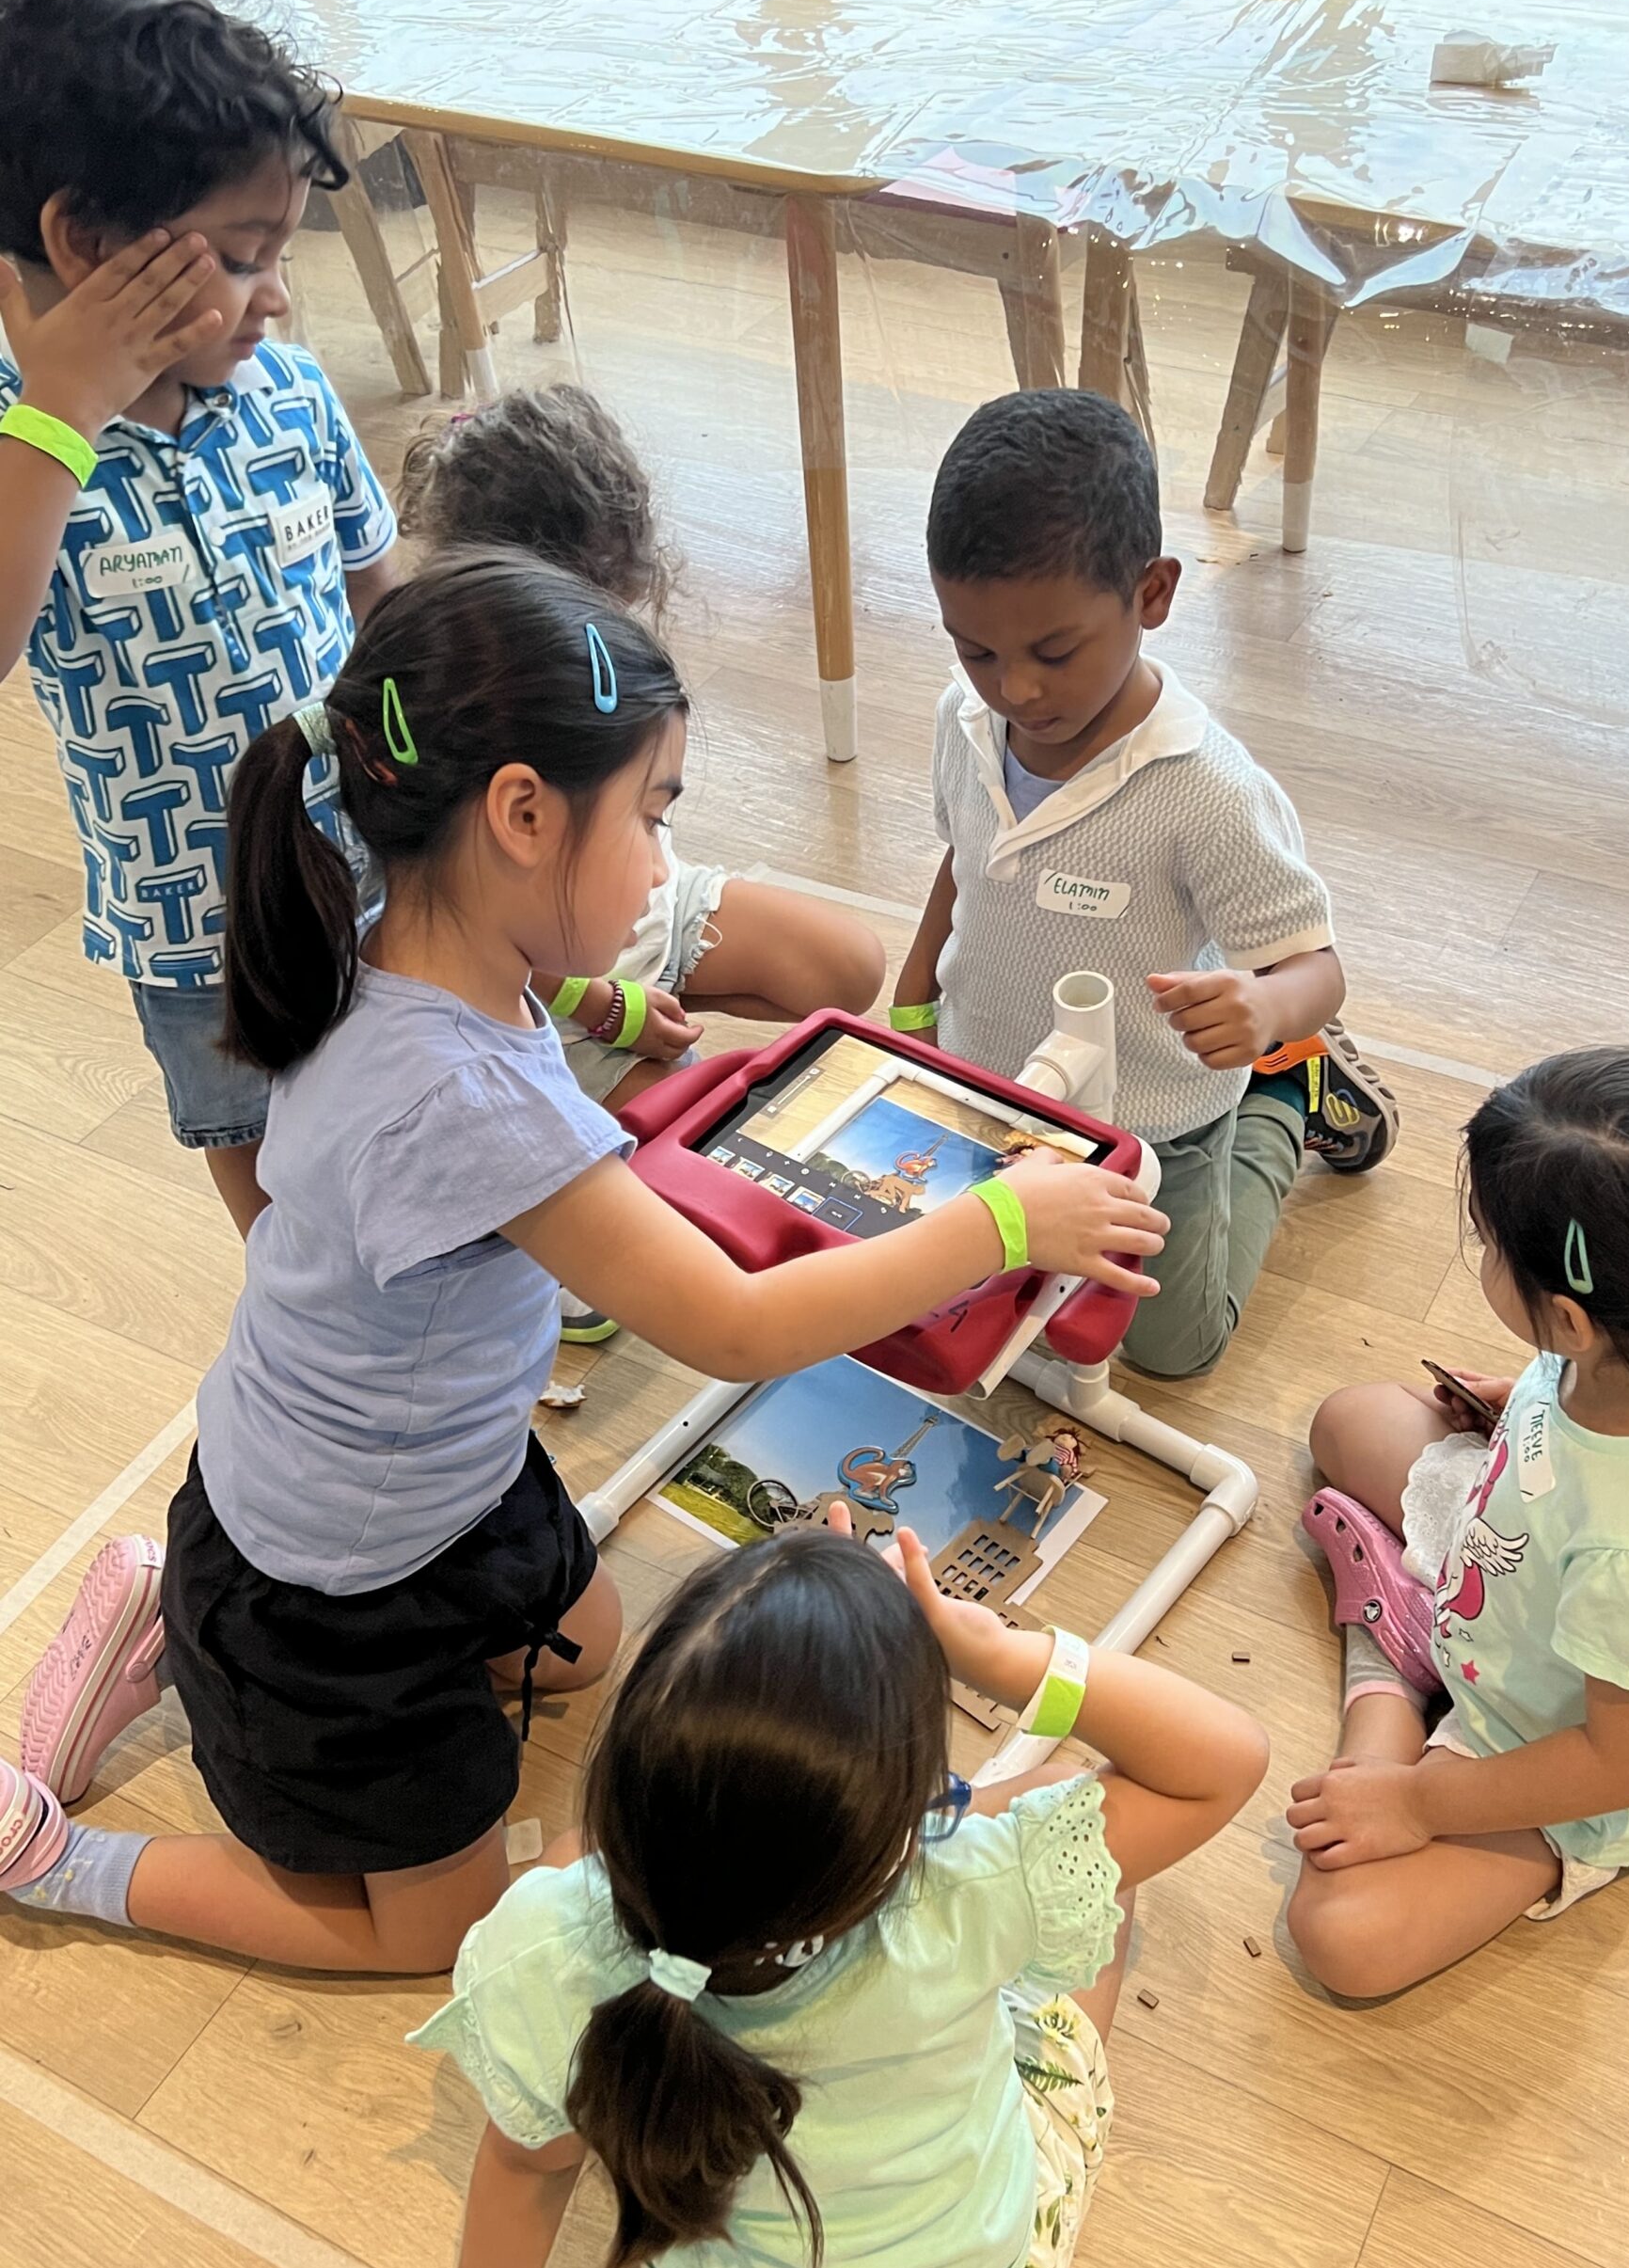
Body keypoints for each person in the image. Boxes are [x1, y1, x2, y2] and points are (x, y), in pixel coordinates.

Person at [0, 550, 1166, 1976]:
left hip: (437, 1481)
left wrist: (599, 1000)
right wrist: (1001, 1226)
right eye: (653, 815)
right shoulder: (470, 1108)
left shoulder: (386, 943)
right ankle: (58, 1855)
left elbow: (523, 1054)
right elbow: (737, 1326)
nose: (665, 864)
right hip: (327, 1590)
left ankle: (168, 1610)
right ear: (521, 814)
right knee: (439, 1936)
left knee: (593, 1644)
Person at [410, 1512, 1269, 2268]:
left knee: (566, 1855)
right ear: (900, 1830)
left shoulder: (549, 1943)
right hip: (981, 2267)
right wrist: (994, 1655)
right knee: (1067, 1822)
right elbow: (1224, 1763)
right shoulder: (966, 1891)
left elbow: (526, 2170)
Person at [0, 0, 403, 1239]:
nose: (275, 295)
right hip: (198, 932)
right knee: (281, 1204)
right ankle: (314, 1331)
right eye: (239, 257)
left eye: (280, 252)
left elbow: (382, 602)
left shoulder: (286, 390)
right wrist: (62, 413)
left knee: (418, 1108)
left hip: (372, 867)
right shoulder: (21, 453)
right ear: (84, 241)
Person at [893, 389, 1397, 1381]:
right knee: (964, 1296)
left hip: (1162, 1117)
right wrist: (913, 1003)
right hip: (994, 1086)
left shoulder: (1206, 791)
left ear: (1153, 594)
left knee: (1174, 1350)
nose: (1016, 689)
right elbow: (963, 861)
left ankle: (1286, 1094)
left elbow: (1316, 965)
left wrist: (1267, 1010)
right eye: (976, 649)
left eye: (1055, 651)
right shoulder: (965, 718)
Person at [1287, 1044, 1629, 1996]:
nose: (1483, 1255)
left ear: (1571, 1322)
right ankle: (1419, 1628)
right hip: (1515, 1566)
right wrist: (1520, 1399)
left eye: (1489, 1247)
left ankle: (1388, 1671)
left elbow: (1625, 1762)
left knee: (1343, 1937)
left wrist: (1416, 1800)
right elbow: (1573, 1429)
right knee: (1345, 1421)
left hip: (1547, 1757)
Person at [398, 386, 887, 1343]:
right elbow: (463, 930)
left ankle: (640, 1080)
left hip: (623, 929)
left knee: (848, 965)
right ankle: (588, 1155)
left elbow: (633, 843)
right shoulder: (457, 718)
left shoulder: (589, 665)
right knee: (685, 1208)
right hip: (555, 993)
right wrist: (600, 1005)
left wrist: (644, 889)